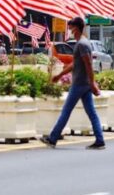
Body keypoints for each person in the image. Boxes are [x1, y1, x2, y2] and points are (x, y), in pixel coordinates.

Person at [39, 17, 105, 150]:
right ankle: (100, 140)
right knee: (91, 112)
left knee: (66, 111)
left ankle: (53, 138)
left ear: (76, 28)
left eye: (70, 27)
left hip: (80, 83)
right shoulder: (81, 43)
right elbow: (76, 63)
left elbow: (88, 65)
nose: (69, 30)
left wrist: (92, 83)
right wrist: (60, 75)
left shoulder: (82, 44)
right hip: (83, 83)